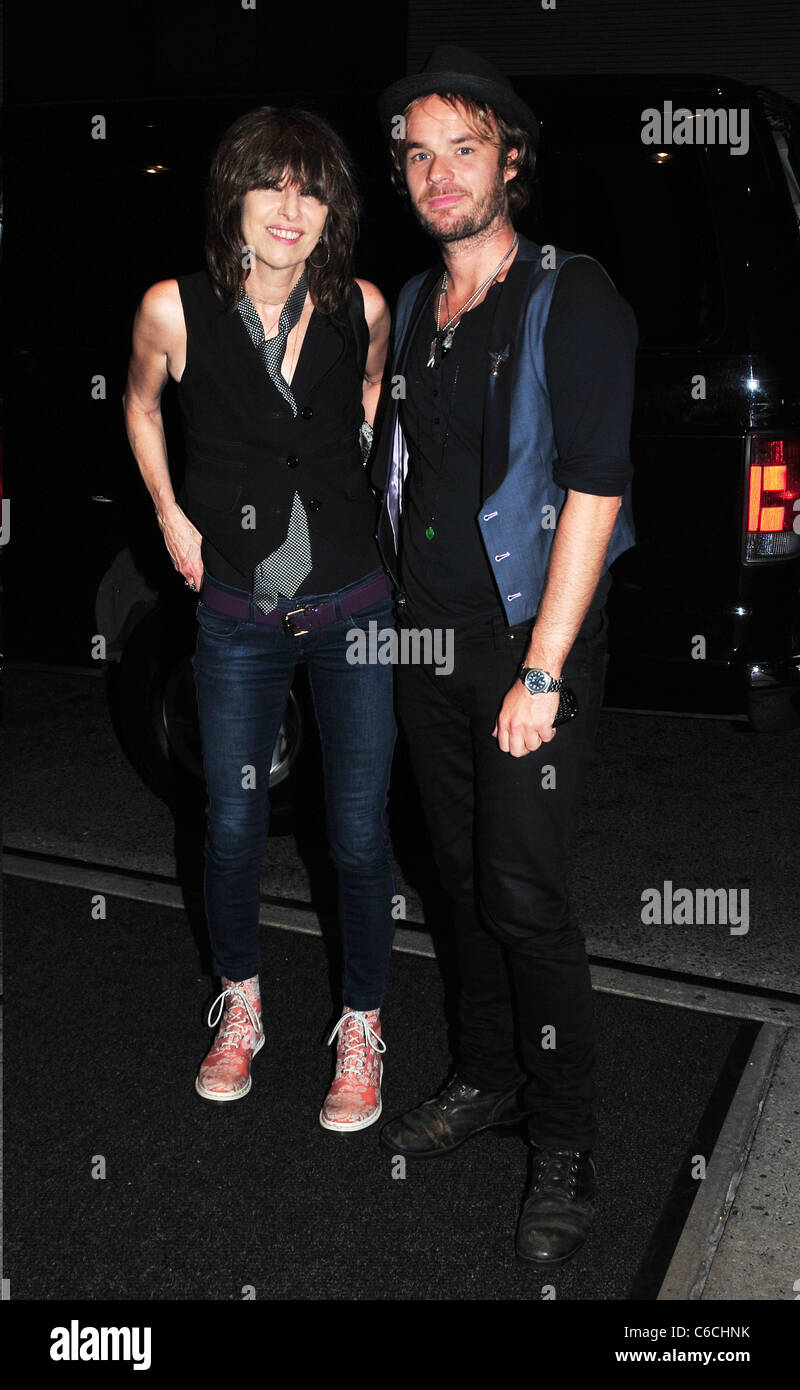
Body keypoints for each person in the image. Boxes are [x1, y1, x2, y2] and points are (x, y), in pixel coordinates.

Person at [373, 46, 637, 1262]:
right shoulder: (416, 304)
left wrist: (540, 671)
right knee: (458, 884)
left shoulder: (567, 293)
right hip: (425, 640)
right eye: (417, 154)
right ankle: (484, 1078)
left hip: (532, 644)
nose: (435, 174)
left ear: (510, 161)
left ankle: (565, 1142)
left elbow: (591, 490)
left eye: (460, 148)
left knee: (525, 898)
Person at [123, 105, 396, 1133]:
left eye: (311, 188)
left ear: (333, 208)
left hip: (352, 603)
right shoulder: (173, 309)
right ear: (233, 195)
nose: (290, 207)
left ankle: (362, 1025)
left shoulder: (360, 305)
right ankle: (241, 1002)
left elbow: (370, 401)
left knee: (358, 832)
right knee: (233, 825)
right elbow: (141, 403)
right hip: (236, 609)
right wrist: (169, 515)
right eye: (270, 184)